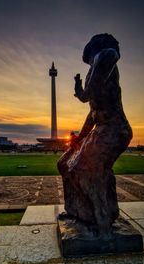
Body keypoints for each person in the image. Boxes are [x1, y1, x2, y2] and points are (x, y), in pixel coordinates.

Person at [58, 33, 132, 234]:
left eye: (90, 60)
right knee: (65, 163)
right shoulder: (96, 76)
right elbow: (92, 112)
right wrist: (79, 140)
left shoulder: (106, 57)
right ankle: (77, 211)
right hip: (101, 129)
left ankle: (102, 221)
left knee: (86, 169)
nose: (90, 65)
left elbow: (110, 54)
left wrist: (86, 87)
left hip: (115, 129)